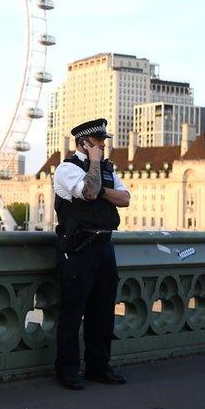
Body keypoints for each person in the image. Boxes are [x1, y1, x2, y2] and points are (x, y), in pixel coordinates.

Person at [51, 118, 130, 391]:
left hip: (104, 246)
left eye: (104, 141)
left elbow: (125, 198)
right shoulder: (66, 169)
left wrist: (102, 190)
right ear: (84, 143)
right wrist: (94, 166)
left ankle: (98, 366)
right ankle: (68, 370)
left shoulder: (107, 169)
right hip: (77, 248)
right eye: (98, 141)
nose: (104, 145)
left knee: (103, 311)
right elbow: (88, 191)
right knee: (73, 312)